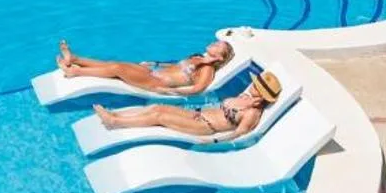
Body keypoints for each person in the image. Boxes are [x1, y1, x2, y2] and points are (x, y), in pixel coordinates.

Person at [92, 71, 283, 142]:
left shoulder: (252, 114)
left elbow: (239, 134)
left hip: (205, 127)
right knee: (158, 107)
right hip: (197, 114)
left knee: (160, 118)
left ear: (262, 95)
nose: (253, 86)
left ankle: (115, 122)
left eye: (257, 86)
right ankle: (117, 116)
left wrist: (214, 142)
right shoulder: (245, 96)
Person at [57, 38, 235, 96]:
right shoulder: (197, 57)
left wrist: (171, 92)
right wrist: (156, 64)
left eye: (219, 45)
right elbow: (175, 67)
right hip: (153, 72)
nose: (214, 43)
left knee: (117, 69)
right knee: (114, 64)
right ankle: (75, 58)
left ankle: (75, 71)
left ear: (219, 56)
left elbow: (198, 88)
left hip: (156, 82)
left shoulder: (207, 69)